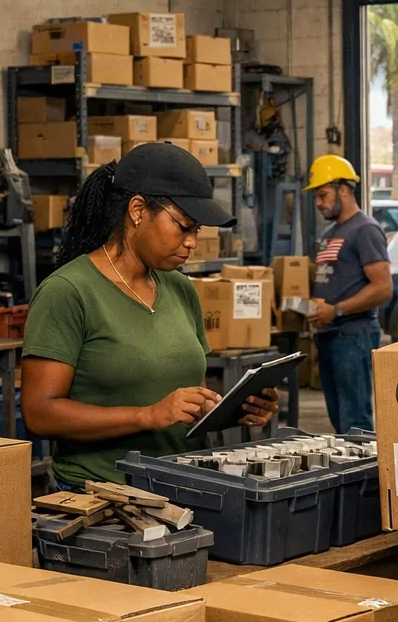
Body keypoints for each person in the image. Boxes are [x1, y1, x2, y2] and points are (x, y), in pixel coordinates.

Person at [21, 143, 277, 490]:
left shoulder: (180, 288)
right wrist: (147, 416)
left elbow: (190, 397)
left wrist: (232, 409)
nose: (192, 242)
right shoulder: (68, 292)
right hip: (104, 495)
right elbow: (39, 414)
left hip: (185, 486)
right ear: (138, 210)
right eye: (183, 226)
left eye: (197, 230)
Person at [304, 154, 392, 434]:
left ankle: (363, 466)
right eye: (316, 197)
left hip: (353, 335)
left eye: (323, 195)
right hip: (330, 335)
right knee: (338, 420)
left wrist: (337, 309)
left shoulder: (365, 230)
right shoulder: (331, 232)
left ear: (343, 189)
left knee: (355, 423)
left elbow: (383, 288)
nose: (319, 203)